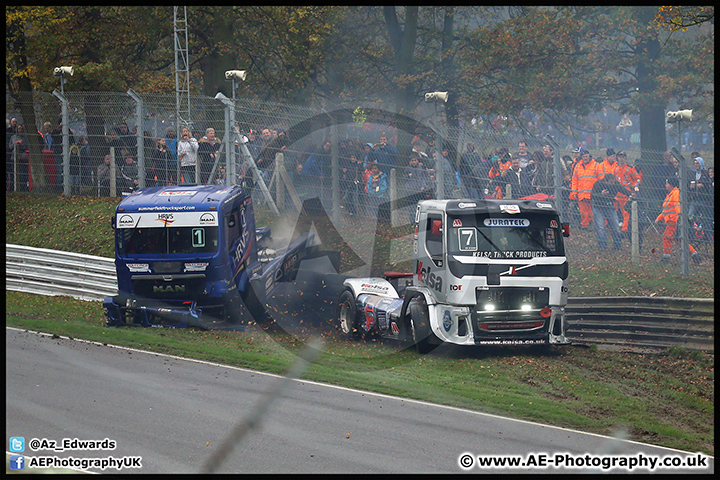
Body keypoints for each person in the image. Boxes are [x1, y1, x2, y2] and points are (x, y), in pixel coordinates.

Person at [655, 177, 701, 264]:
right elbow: (666, 210)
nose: (665, 185)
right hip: (671, 220)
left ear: (671, 184)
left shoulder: (675, 193)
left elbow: (677, 205)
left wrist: (679, 216)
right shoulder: (670, 194)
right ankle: (695, 255)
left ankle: (666, 257)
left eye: (667, 183)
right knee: (678, 240)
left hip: (673, 220)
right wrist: (659, 218)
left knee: (667, 237)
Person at [591, 174, 632, 250]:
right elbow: (592, 195)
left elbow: (623, 190)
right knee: (601, 227)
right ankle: (602, 246)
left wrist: (631, 194)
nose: (613, 184)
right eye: (611, 182)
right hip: (598, 207)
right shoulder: (598, 184)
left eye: (613, 182)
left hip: (609, 206)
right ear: (605, 181)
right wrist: (601, 194)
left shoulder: (616, 184)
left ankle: (617, 245)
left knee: (615, 226)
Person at [569, 149, 599, 229]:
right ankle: (585, 225)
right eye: (583, 156)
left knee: (593, 211)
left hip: (593, 194)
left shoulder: (596, 165)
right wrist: (574, 192)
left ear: (589, 156)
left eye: (586, 156)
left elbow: (600, 179)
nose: (585, 158)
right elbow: (574, 180)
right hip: (581, 194)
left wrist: (599, 191)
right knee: (583, 212)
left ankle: (594, 225)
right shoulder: (578, 166)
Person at [613, 151, 640, 234]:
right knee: (619, 211)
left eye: (623, 157)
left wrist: (634, 187)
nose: (621, 158)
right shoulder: (616, 168)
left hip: (627, 192)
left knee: (626, 212)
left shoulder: (630, 168)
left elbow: (637, 178)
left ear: (625, 158)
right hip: (618, 194)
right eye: (620, 156)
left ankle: (625, 229)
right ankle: (620, 227)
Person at [688, 156, 712, 222]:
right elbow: (690, 183)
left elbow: (706, 184)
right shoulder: (693, 173)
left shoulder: (705, 173)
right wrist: (691, 186)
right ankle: (694, 228)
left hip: (703, 199)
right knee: (690, 215)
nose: (696, 165)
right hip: (695, 199)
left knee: (704, 217)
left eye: (697, 163)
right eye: (695, 163)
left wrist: (701, 185)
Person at [8, 123, 29, 191]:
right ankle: (13, 188)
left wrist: (21, 144)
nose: (20, 130)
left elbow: (27, 146)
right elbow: (10, 146)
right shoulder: (13, 137)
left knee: (22, 173)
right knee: (13, 174)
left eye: (21, 129)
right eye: (19, 129)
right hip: (14, 157)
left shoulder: (25, 137)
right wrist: (15, 144)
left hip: (22, 157)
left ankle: (23, 188)